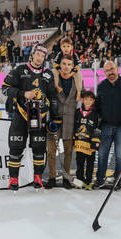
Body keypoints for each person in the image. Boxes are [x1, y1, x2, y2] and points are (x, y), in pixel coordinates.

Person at [2, 43, 60, 191]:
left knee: (39, 149)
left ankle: (38, 178)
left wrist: (54, 118)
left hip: (39, 117)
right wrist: (23, 93)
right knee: (15, 148)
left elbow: (53, 98)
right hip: (20, 115)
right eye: (38, 54)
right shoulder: (20, 70)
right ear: (32, 54)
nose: (40, 58)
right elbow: (5, 88)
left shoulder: (48, 74)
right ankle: (13, 180)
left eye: (43, 55)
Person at [93, 61, 121, 189]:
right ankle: (100, 179)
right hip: (106, 126)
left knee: (120, 155)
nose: (110, 72)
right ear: (104, 72)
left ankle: (117, 180)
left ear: (117, 69)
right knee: (102, 154)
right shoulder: (101, 86)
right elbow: (98, 107)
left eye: (112, 69)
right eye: (107, 70)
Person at [45, 55, 79, 190]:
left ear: (72, 67)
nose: (66, 66)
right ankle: (52, 177)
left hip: (69, 121)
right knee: (51, 151)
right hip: (54, 120)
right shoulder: (53, 79)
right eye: (64, 64)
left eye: (69, 64)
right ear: (60, 65)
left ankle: (66, 178)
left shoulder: (77, 81)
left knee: (69, 152)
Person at [73, 90, 100, 190]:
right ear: (82, 100)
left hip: (90, 144)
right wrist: (73, 140)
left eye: (90, 100)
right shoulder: (77, 112)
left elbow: (97, 130)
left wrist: (95, 145)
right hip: (79, 143)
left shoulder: (96, 114)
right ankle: (79, 182)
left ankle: (88, 182)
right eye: (86, 99)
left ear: (93, 101)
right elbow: (74, 127)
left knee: (90, 164)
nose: (88, 101)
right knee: (79, 164)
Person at [53, 37, 82, 102]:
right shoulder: (59, 54)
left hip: (71, 70)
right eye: (64, 46)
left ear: (71, 47)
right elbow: (55, 63)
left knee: (79, 75)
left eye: (68, 46)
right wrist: (60, 71)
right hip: (61, 69)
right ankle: (56, 86)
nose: (66, 48)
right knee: (54, 71)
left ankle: (79, 92)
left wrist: (72, 73)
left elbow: (79, 64)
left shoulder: (74, 55)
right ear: (61, 47)